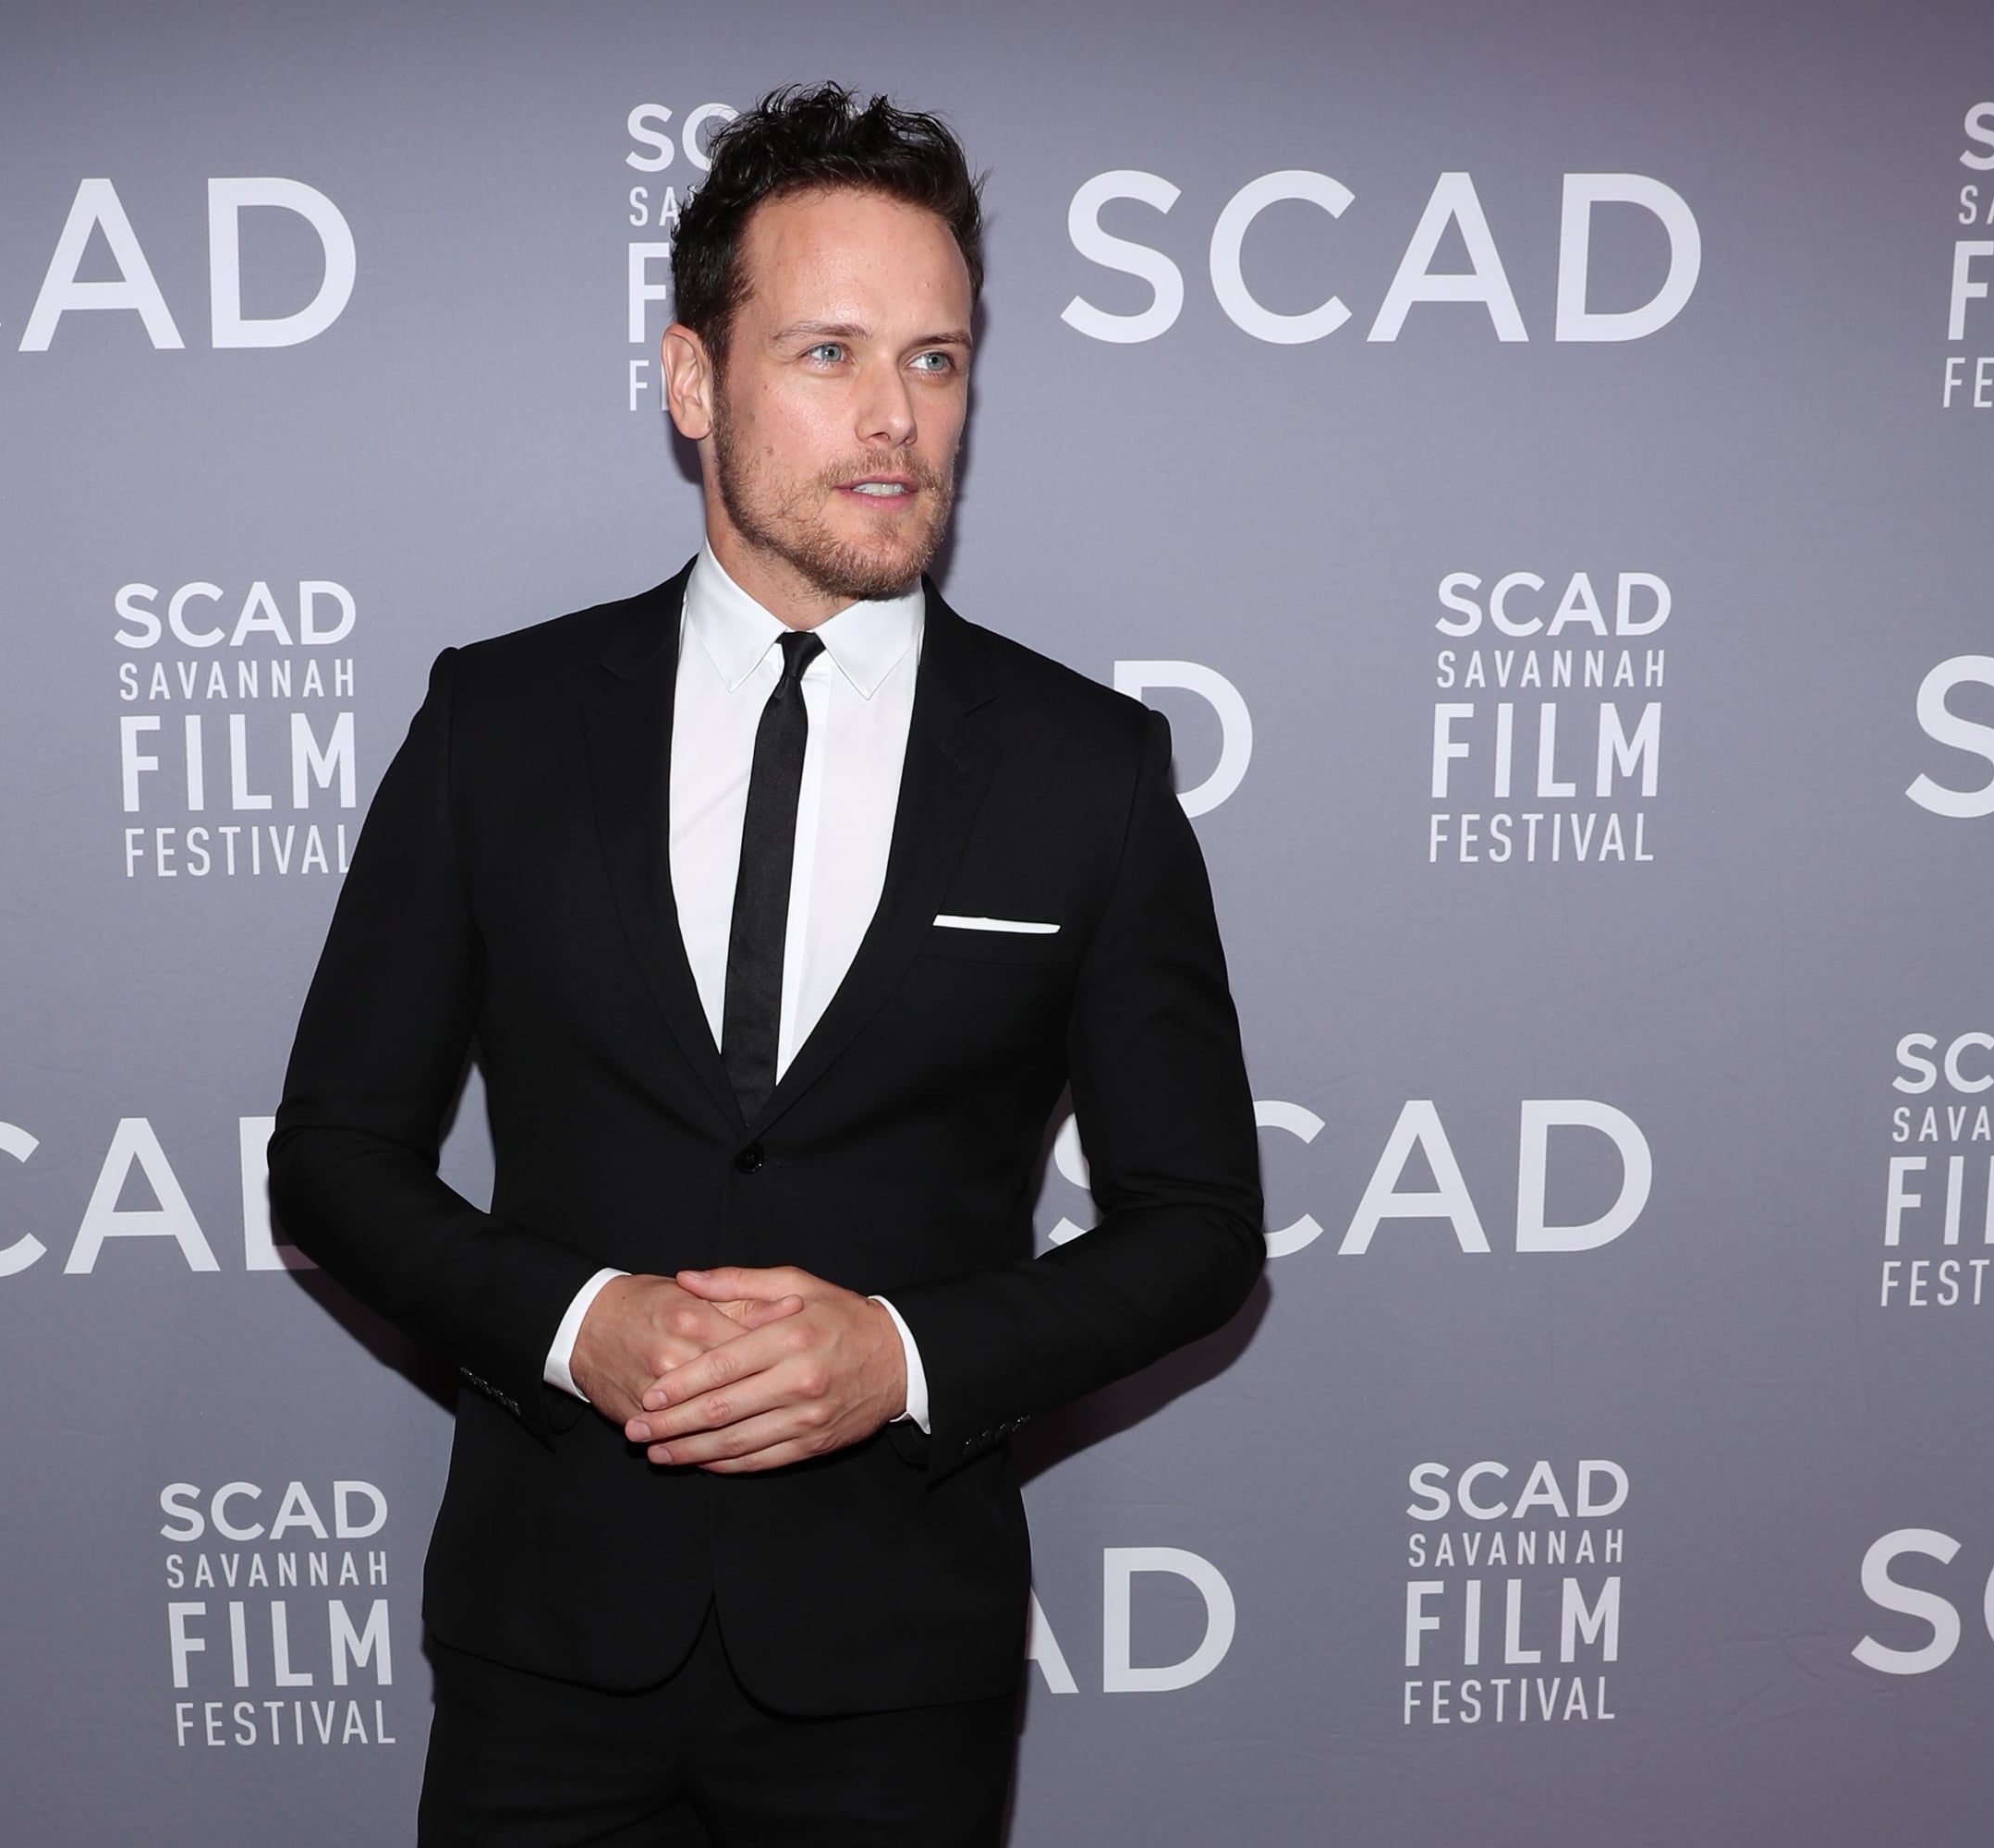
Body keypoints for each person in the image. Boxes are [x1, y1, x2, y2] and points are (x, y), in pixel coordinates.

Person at [270, 83, 1263, 1847]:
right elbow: (335, 1155)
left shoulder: (1085, 770)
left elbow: (1198, 1226)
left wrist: (905, 1356)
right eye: (827, 352)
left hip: (894, 1665)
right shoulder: (500, 724)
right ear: (692, 381)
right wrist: (579, 1325)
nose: (895, 420)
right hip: (550, 1641)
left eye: (937, 360)